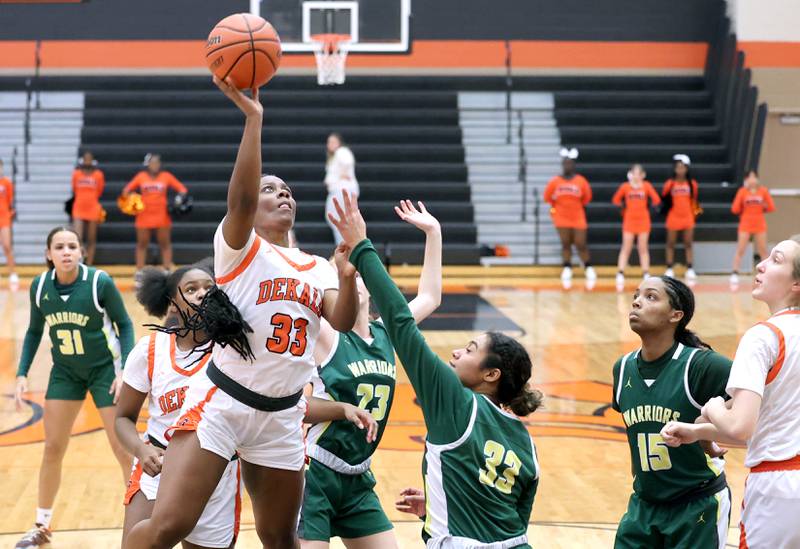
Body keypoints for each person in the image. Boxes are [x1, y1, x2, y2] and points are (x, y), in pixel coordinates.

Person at [123, 77, 362, 549]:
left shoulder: (317, 267)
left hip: (283, 415)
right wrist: (254, 119)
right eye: (271, 190)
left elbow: (338, 319)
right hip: (224, 405)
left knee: (279, 538)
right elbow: (241, 199)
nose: (284, 194)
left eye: (289, 190)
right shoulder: (240, 250)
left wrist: (349, 275)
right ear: (254, 210)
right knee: (169, 525)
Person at [329, 190, 543, 548]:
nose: (457, 351)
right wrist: (441, 506)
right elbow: (512, 516)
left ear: (491, 375)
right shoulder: (524, 441)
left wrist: (363, 246)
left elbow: (401, 319)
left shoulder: (455, 400)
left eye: (471, 349)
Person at [299, 199, 442, 549]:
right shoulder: (328, 335)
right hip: (316, 472)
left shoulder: (386, 332)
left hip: (359, 476)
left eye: (361, 271)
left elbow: (430, 296)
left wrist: (433, 232)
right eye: (347, 272)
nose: (358, 275)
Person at [661, 235, 800, 549]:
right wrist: (699, 432)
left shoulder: (764, 336)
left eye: (776, 260)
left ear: (796, 284)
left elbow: (739, 425)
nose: (761, 265)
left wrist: (711, 408)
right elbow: (775, 428)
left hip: (778, 491)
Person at [13, 226, 134, 549]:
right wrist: (22, 372)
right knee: (53, 448)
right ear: (48, 254)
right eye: (60, 247)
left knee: (122, 449)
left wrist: (126, 370)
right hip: (65, 371)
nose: (66, 252)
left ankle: (139, 522)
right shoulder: (39, 287)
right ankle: (42, 525)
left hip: (104, 370)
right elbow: (33, 332)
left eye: (72, 246)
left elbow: (124, 324)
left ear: (81, 252)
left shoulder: (99, 283)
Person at [115, 263, 242, 549]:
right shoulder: (151, 350)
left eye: (209, 288)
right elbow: (122, 418)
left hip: (216, 471)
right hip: (158, 467)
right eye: (191, 289)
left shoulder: (234, 351)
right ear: (172, 303)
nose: (202, 294)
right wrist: (140, 448)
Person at [611, 275, 732, 549]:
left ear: (675, 315)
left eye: (651, 297)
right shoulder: (623, 368)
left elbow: (755, 400)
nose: (637, 302)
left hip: (696, 504)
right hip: (644, 504)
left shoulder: (700, 365)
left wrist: (708, 435)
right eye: (636, 296)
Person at [122, 153, 188, 271]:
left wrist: (178, 200)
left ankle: (167, 270)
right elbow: (126, 191)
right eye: (152, 162)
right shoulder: (141, 176)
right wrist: (134, 200)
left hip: (162, 215)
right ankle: (140, 272)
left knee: (165, 244)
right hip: (144, 215)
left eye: (157, 162)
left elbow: (182, 189)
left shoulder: (166, 176)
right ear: (148, 164)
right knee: (142, 244)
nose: (155, 165)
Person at [543, 147, 596, 283]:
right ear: (562, 165)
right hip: (561, 217)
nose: (568, 165)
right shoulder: (555, 181)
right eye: (565, 163)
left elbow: (587, 197)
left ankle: (588, 266)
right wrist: (556, 209)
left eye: (570, 163)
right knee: (565, 243)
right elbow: (547, 197)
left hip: (578, 217)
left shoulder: (581, 181)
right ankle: (567, 267)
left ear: (574, 165)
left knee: (580, 243)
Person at [613, 164, 661, 287]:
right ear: (630, 174)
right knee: (626, 248)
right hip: (629, 220)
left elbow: (656, 200)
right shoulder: (625, 186)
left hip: (643, 221)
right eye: (634, 173)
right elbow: (615, 200)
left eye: (639, 173)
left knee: (643, 248)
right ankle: (620, 272)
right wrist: (622, 208)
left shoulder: (647, 186)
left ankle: (645, 272)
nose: (636, 176)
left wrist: (650, 207)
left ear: (643, 175)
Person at [729, 170, 775, 285]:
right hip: (745, 224)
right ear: (746, 180)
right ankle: (735, 273)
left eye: (754, 177)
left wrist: (763, 206)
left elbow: (771, 207)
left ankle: (767, 274)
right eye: (749, 177)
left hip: (759, 224)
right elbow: (735, 209)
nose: (752, 179)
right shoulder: (742, 192)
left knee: (763, 250)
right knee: (741, 249)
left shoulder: (763, 191)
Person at [662, 154, 700, 280]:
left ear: (687, 169)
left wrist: (694, 214)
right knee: (670, 243)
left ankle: (689, 268)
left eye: (683, 167)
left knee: (688, 243)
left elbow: (694, 201)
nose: (680, 170)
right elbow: (665, 199)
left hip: (688, 217)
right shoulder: (669, 184)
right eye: (678, 167)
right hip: (673, 217)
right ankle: (669, 267)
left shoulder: (692, 184)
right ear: (674, 169)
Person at [71, 151, 105, 265]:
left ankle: (89, 264)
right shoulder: (76, 174)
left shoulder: (98, 174)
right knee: (77, 237)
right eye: (86, 159)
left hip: (93, 208)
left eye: (89, 159)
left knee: (91, 238)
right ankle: (78, 262)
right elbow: (74, 189)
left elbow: (100, 191)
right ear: (82, 160)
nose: (88, 161)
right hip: (79, 207)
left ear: (93, 161)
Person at [324, 133, 359, 245]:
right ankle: (343, 244)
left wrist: (343, 173)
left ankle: (344, 245)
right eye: (329, 142)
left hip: (341, 190)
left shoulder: (341, 152)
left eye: (333, 142)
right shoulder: (334, 156)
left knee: (338, 218)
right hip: (338, 190)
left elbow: (347, 162)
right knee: (336, 219)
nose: (330, 144)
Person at [0, 158, 17, 287]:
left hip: (4, 217)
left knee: (7, 245)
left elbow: (10, 200)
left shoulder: (7, 183)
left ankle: (12, 273)